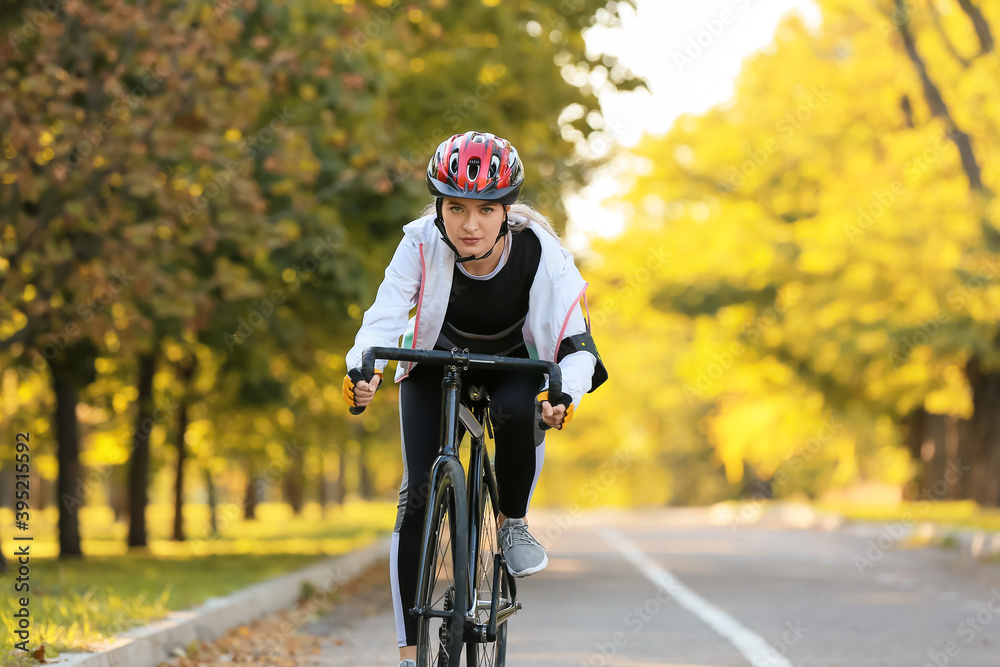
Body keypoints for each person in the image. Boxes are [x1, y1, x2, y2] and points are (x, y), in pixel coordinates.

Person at [342, 130, 607, 667]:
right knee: (416, 494)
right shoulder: (419, 241)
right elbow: (384, 317)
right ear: (439, 206)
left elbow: (578, 349)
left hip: (515, 363)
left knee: (514, 410)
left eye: (486, 209)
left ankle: (512, 524)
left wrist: (563, 394)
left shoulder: (542, 254)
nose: (469, 224)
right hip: (436, 363)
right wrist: (361, 367)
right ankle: (408, 652)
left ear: (507, 212)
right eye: (456, 207)